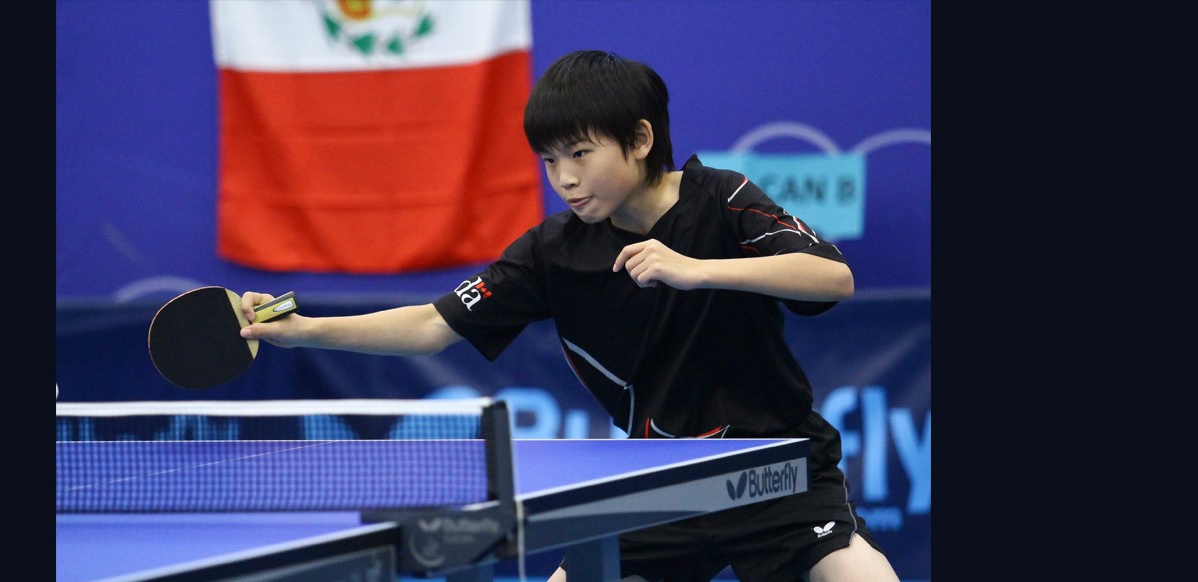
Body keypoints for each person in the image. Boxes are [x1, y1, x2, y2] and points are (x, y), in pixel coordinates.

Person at [238, 49, 899, 582]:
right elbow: (433, 324)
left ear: (640, 139)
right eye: (550, 161)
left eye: (581, 154)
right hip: (661, 481)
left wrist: (695, 269)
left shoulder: (721, 197)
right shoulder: (555, 252)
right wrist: (304, 330)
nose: (565, 178)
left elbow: (831, 276)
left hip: (776, 471)